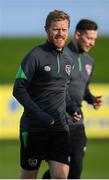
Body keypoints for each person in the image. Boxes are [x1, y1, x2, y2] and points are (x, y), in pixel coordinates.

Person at [13, 10, 79, 179]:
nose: (61, 33)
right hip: (34, 128)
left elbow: (61, 89)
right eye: (56, 29)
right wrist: (41, 115)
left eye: (64, 29)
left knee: (61, 176)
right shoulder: (35, 55)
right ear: (47, 29)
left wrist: (71, 109)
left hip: (59, 128)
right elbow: (18, 88)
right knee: (29, 177)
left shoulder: (69, 59)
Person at [42, 19, 102, 179]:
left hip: (78, 123)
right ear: (77, 34)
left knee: (76, 170)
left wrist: (91, 99)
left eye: (94, 39)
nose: (92, 43)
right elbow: (54, 89)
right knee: (61, 172)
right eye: (89, 38)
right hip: (59, 123)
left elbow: (83, 89)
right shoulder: (61, 56)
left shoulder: (90, 61)